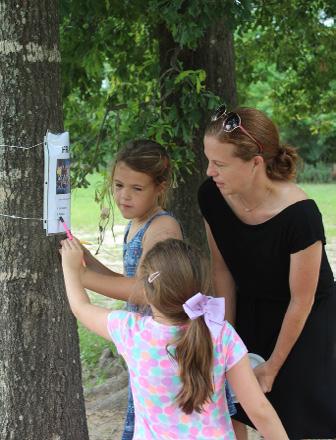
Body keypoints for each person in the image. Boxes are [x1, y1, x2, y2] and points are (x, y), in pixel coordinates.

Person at [198, 105, 336, 439]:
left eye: (219, 163)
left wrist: (272, 367)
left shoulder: (300, 216)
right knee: (233, 407)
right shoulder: (211, 196)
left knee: (299, 420)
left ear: (255, 163)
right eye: (208, 160)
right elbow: (223, 272)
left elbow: (301, 302)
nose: (209, 171)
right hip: (250, 309)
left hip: (305, 322)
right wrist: (226, 343)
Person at [61, 237, 289, 439]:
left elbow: (81, 308)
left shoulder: (131, 331)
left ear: (147, 291)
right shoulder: (220, 332)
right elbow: (258, 408)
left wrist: (71, 269)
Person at [78, 139, 183, 439]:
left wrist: (79, 277)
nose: (124, 196)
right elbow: (126, 279)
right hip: (146, 349)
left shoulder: (161, 228)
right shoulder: (138, 222)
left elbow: (145, 291)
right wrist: (87, 261)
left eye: (137, 189)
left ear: (159, 187)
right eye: (119, 185)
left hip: (161, 349)